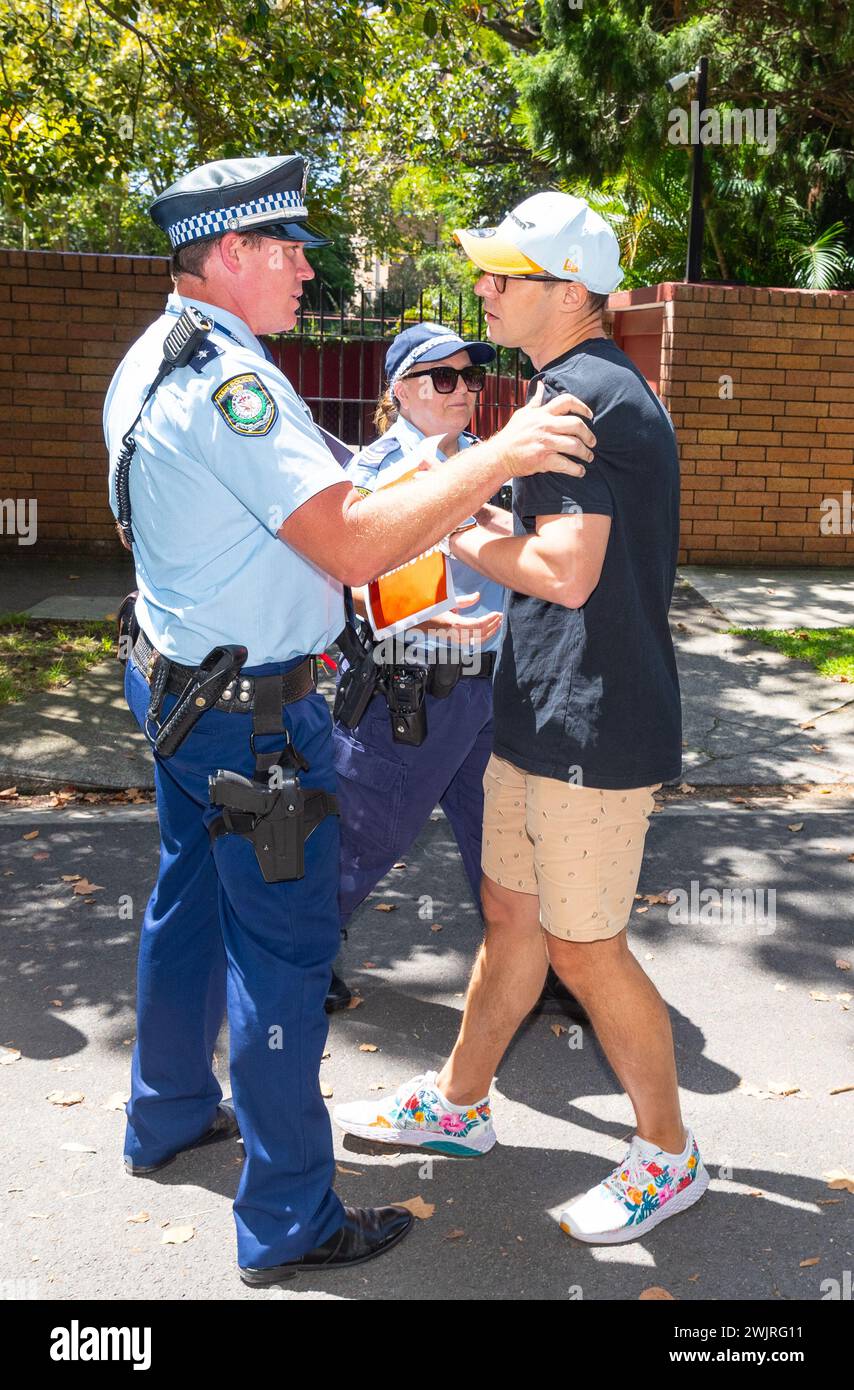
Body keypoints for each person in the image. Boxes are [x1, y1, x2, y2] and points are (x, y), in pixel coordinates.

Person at [103, 157, 598, 1284]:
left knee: (186, 905)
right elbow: (351, 543)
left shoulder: (152, 356)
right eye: (285, 248)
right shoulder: (237, 381)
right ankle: (288, 1221)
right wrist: (502, 456)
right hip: (247, 717)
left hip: (176, 686)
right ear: (227, 254)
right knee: (283, 956)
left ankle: (168, 1110)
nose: (306, 267)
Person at [334, 191, 709, 1245]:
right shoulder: (563, 387)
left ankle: (669, 1156)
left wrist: (456, 527)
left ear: (569, 290)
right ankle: (458, 1108)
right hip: (537, 707)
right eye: (487, 270)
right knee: (509, 914)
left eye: (505, 275)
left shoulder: (584, 397)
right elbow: (550, 539)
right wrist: (494, 510)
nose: (484, 290)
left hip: (592, 725)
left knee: (584, 948)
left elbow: (564, 574)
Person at [329, 322, 588, 1025]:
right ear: (401, 390)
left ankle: (543, 965)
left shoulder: (490, 461)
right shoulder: (372, 472)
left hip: (496, 687)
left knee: (509, 840)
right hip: (411, 689)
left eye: (471, 378)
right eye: (442, 378)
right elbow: (345, 572)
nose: (463, 390)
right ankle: (304, 951)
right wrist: (410, 617)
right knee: (363, 835)